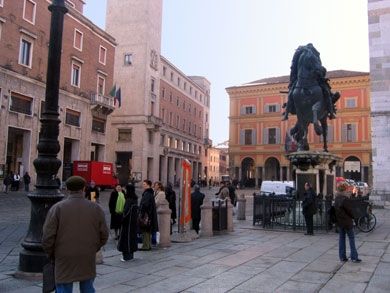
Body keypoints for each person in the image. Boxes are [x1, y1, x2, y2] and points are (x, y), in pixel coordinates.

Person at [42, 176, 109, 292]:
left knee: (64, 287)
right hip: (87, 254)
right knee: (87, 287)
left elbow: (48, 236)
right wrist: (93, 248)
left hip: (63, 256)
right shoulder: (95, 208)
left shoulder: (57, 208)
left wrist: (52, 253)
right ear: (84, 189)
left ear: (67, 189)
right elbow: (104, 234)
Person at [334, 183, 361, 263]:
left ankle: (342, 257)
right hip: (347, 222)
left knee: (342, 239)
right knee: (351, 239)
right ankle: (354, 257)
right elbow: (350, 211)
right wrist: (354, 216)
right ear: (345, 190)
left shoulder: (337, 198)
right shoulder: (345, 199)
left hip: (340, 222)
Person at [117, 183, 139, 261]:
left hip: (127, 225)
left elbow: (125, 213)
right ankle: (131, 255)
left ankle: (126, 257)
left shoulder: (129, 200)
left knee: (126, 240)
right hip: (133, 224)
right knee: (132, 239)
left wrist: (121, 219)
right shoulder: (135, 199)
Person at [139, 180, 158, 250]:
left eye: (144, 184)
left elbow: (145, 204)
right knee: (147, 230)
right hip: (150, 214)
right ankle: (148, 245)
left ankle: (146, 246)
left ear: (148, 185)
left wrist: (141, 213)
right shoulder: (150, 193)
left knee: (145, 230)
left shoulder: (147, 193)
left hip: (147, 215)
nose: (143, 185)